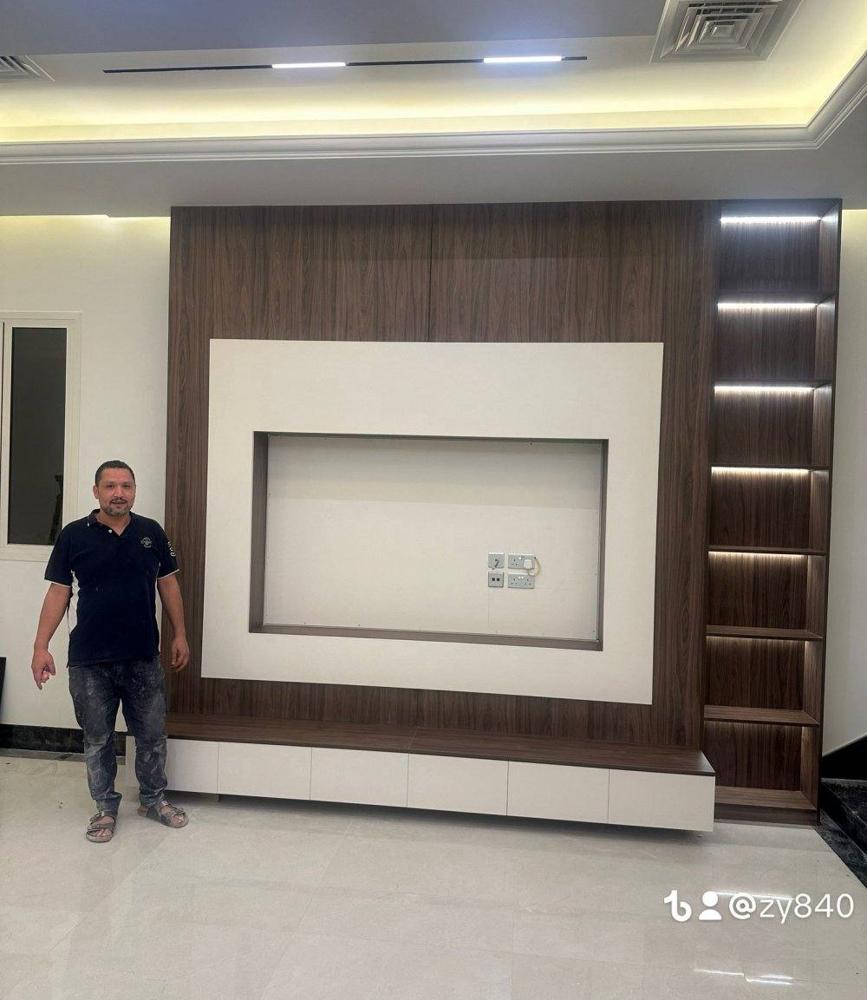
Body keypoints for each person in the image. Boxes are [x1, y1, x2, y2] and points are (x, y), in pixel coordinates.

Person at [30, 460, 191, 843]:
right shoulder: (73, 536)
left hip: (142, 657)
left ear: (134, 491)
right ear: (96, 491)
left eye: (126, 486)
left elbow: (168, 585)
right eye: (110, 486)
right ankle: (105, 808)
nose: (119, 493)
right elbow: (58, 592)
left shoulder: (151, 532)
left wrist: (180, 634)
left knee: (151, 736)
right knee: (98, 739)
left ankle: (153, 800)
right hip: (89, 661)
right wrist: (40, 647)